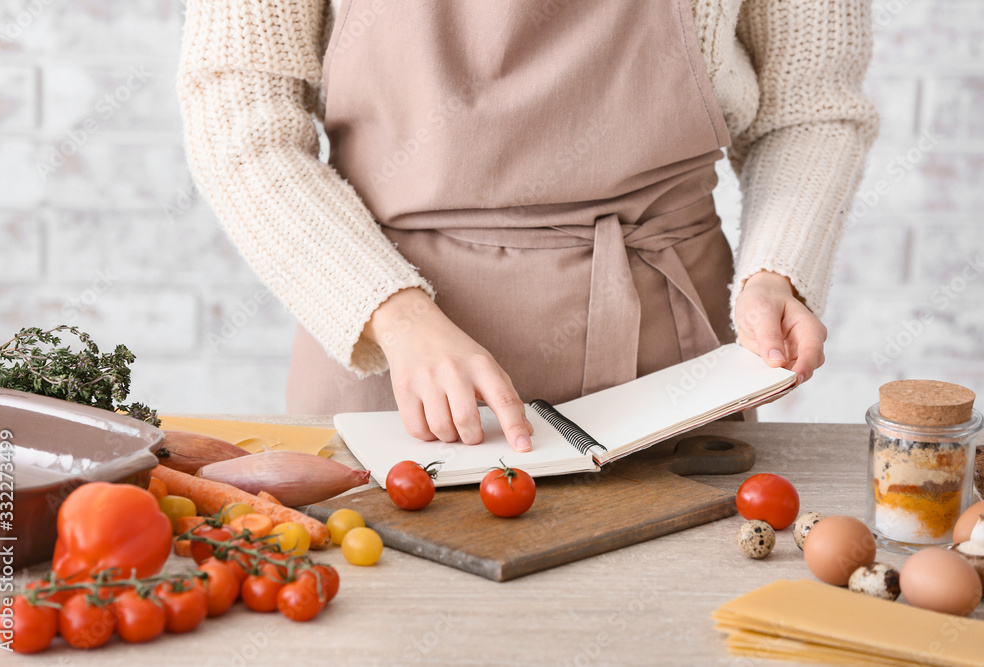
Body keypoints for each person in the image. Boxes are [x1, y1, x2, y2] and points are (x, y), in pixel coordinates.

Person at [177, 0, 878, 453]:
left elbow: (808, 106)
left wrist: (776, 272)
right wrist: (395, 317)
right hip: (395, 370)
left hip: (670, 378)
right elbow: (238, 108)